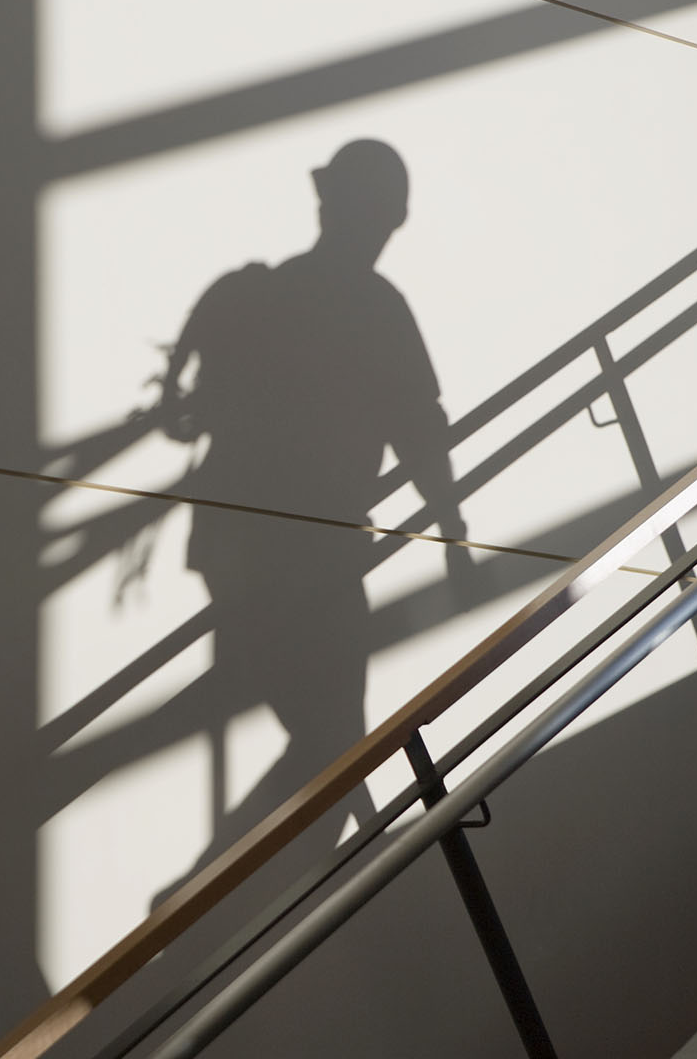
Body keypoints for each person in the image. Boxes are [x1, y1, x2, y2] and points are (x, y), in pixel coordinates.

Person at [152, 138, 471, 860]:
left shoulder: (267, 296)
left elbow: (197, 410)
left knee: (331, 744)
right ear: (384, 218)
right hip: (312, 559)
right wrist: (454, 533)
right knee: (335, 748)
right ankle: (212, 893)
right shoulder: (374, 308)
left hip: (239, 550)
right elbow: (419, 427)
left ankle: (224, 891)